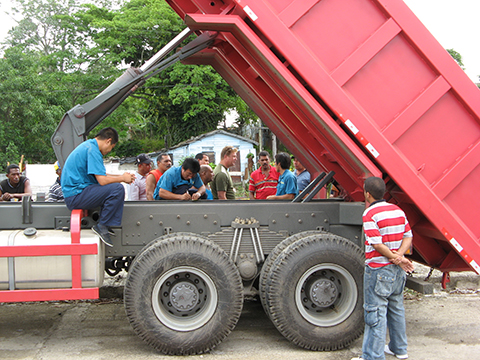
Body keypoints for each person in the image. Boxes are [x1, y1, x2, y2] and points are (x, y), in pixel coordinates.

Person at [352, 177, 414, 360]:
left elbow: (377, 245)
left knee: (375, 313)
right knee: (396, 309)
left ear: (367, 194)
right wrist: (400, 257)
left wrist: (396, 257)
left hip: (378, 270)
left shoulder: (370, 214)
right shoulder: (398, 210)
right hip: (397, 272)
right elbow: (408, 236)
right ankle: (399, 349)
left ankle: (372, 356)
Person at [61, 127, 135, 247]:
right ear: (108, 141)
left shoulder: (89, 146)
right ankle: (102, 225)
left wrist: (122, 176)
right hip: (76, 195)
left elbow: (102, 175)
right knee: (117, 189)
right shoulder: (93, 150)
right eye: (112, 147)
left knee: (116, 186)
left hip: (77, 192)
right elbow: (102, 181)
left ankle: (105, 223)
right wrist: (122, 179)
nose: (110, 151)